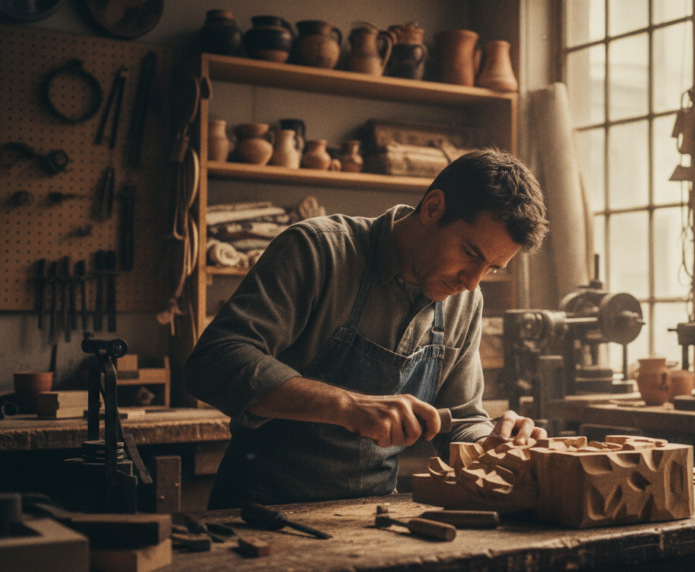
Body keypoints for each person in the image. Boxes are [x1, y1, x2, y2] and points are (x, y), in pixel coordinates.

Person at [186, 148, 550, 509]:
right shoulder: (318, 251)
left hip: (368, 515)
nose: (473, 282)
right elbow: (214, 361)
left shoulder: (465, 301)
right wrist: (349, 406)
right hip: (259, 510)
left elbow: (463, 418)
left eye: (492, 268)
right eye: (471, 254)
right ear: (433, 208)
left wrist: (494, 441)